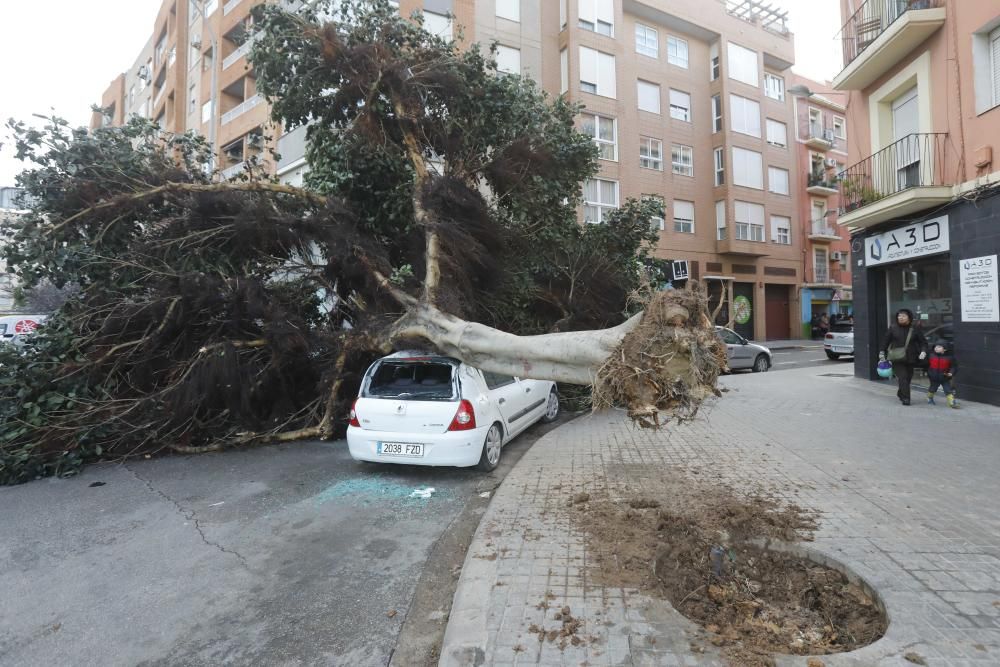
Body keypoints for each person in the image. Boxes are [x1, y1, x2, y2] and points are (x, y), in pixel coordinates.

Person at [879, 308, 928, 406]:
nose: (900, 318)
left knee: (908, 379)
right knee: (903, 378)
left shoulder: (915, 328)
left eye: (903, 316)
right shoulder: (893, 327)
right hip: (897, 357)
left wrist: (923, 351)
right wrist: (881, 352)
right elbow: (886, 341)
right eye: (899, 316)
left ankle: (901, 392)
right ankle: (906, 399)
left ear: (909, 317)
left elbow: (923, 342)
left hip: (911, 357)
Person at [926, 341, 959, 408]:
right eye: (935, 346)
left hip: (945, 377)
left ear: (945, 349)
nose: (936, 348)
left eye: (939, 347)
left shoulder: (950, 357)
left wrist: (951, 373)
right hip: (934, 377)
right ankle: (930, 398)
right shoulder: (931, 355)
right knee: (932, 389)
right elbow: (926, 365)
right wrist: (929, 372)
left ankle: (952, 403)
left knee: (948, 390)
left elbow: (954, 367)